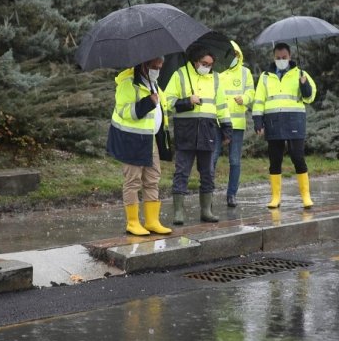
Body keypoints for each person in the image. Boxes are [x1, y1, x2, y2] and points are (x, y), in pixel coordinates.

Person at [165, 44, 232, 224]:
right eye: (204, 63)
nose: (207, 67)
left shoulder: (215, 79)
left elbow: (222, 106)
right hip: (186, 130)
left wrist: (227, 129)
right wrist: (187, 101)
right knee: (182, 172)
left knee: (208, 172)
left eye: (210, 64)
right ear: (195, 62)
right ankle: (179, 212)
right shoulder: (180, 75)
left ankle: (206, 211)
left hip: (208, 131)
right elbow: (168, 101)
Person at [106, 57, 173, 236]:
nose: (157, 70)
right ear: (143, 65)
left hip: (150, 140)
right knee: (133, 181)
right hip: (132, 140)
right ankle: (133, 222)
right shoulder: (128, 84)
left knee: (152, 179)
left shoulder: (154, 83)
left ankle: (152, 221)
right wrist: (148, 103)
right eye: (154, 66)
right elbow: (124, 111)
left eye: (160, 67)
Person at [252, 42, 317, 209]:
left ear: (290, 57)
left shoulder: (301, 74)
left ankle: (306, 196)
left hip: (295, 120)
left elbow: (310, 97)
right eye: (278, 58)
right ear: (274, 58)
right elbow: (259, 100)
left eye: (284, 57)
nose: (281, 60)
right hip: (273, 122)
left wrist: (304, 85)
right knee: (275, 160)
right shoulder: (265, 77)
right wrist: (258, 121)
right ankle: (275, 197)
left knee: (297, 157)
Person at [211, 40, 255, 207]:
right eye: (230, 55)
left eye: (235, 54)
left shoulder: (245, 73)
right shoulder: (218, 74)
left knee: (235, 160)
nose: (233, 58)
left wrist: (244, 98)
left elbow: (251, 92)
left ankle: (231, 195)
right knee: (213, 158)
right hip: (219, 122)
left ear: (239, 55)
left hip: (237, 124)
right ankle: (209, 192)